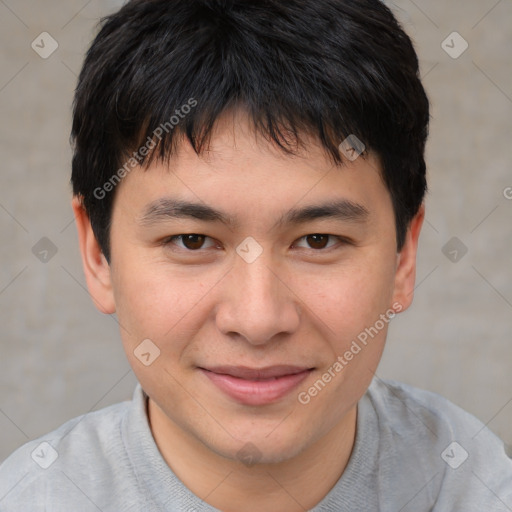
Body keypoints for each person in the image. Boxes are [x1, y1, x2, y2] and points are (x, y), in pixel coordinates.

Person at [1, 0, 511, 510]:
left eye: (318, 241)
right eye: (192, 241)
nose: (258, 319)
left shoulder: (469, 482)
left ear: (403, 257)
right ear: (97, 254)